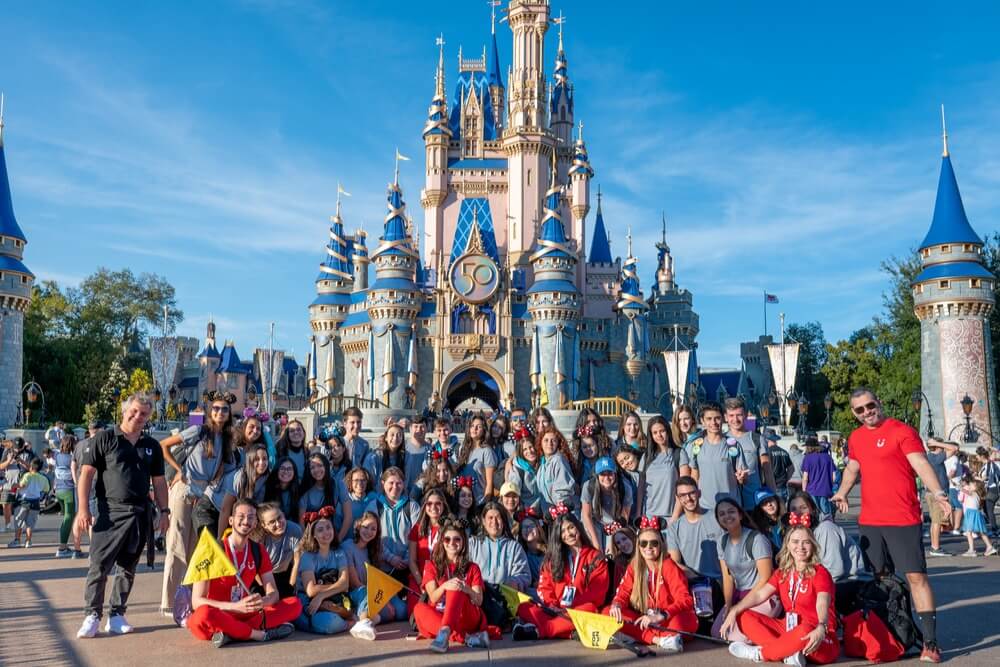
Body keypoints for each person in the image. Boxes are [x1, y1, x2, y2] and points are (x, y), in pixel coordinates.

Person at [831, 387, 953, 663]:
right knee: (882, 581)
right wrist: (841, 491)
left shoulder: (902, 431)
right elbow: (852, 468)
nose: (866, 412)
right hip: (871, 522)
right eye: (859, 410)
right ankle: (898, 634)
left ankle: (930, 643)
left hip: (902, 519)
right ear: (854, 413)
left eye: (870, 406)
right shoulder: (857, 438)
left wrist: (938, 493)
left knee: (916, 578)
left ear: (879, 402)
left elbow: (921, 464)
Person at [76, 393, 170, 639]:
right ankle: (92, 615)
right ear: (124, 410)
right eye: (135, 411)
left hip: (140, 513)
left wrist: (165, 511)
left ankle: (116, 615)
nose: (138, 417)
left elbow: (159, 483)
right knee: (99, 565)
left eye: (144, 414)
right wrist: (83, 509)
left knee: (128, 567)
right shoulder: (105, 438)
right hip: (110, 512)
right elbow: (86, 475)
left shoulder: (152, 446)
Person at [159, 391, 240, 613]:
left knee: (197, 549)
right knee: (177, 545)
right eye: (216, 408)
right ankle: (169, 603)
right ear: (209, 411)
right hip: (186, 488)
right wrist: (178, 471)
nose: (220, 412)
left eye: (224, 409)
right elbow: (164, 445)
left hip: (205, 495)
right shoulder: (200, 431)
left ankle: (188, 601)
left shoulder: (228, 439)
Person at [723, 516, 841, 666]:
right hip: (789, 630)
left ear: (812, 545)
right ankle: (786, 652)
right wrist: (734, 610)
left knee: (804, 631)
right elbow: (760, 594)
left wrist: (821, 626)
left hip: (818, 635)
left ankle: (760, 653)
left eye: (806, 542)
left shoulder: (820, 572)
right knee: (744, 615)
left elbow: (822, 602)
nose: (801, 547)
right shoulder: (782, 572)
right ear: (788, 545)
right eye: (795, 542)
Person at [187, 499, 300, 647]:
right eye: (241, 516)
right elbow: (197, 601)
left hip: (246, 614)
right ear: (231, 520)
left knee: (295, 604)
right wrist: (234, 607)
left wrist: (262, 602)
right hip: (220, 612)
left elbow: (273, 592)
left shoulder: (258, 550)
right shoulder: (211, 551)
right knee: (202, 615)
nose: (246, 521)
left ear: (255, 524)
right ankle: (256, 634)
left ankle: (231, 634)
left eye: (251, 517)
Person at [512, 506, 608, 641]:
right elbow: (544, 587)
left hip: (580, 610)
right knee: (524, 607)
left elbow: (597, 594)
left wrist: (570, 607)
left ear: (578, 528)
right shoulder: (554, 558)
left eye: (571, 528)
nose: (568, 534)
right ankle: (569, 631)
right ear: (558, 536)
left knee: (589, 608)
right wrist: (552, 605)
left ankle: (540, 631)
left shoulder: (596, 557)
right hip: (555, 610)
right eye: (562, 531)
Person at [606, 517, 699, 653]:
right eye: (643, 543)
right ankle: (659, 640)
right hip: (646, 618)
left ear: (661, 545)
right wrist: (617, 604)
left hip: (668, 618)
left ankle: (638, 635)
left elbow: (685, 600)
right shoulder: (634, 566)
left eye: (653, 543)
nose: (648, 547)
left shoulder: (669, 566)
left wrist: (663, 615)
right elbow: (623, 592)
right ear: (638, 546)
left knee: (682, 622)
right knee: (610, 613)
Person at [413, 518, 490, 653]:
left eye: (457, 539)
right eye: (447, 539)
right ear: (442, 542)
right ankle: (465, 638)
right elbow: (433, 598)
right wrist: (444, 586)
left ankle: (445, 634)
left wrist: (465, 588)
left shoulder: (473, 567)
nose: (452, 543)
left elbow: (479, 600)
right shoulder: (431, 565)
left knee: (456, 586)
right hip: (440, 615)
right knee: (419, 608)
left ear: (463, 542)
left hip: (465, 617)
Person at [714, 497, 777, 640]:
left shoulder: (756, 539)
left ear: (740, 515)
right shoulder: (722, 542)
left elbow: (765, 578)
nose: (727, 516)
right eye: (722, 514)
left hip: (763, 594)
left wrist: (739, 607)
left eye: (731, 512)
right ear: (718, 519)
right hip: (740, 594)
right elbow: (727, 577)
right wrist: (729, 606)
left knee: (736, 636)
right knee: (717, 633)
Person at [345, 510, 408, 640]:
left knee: (401, 611)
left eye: (373, 529)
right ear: (358, 525)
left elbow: (382, 567)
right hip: (358, 592)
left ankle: (366, 618)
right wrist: (382, 603)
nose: (369, 532)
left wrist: (385, 599)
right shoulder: (348, 546)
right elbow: (355, 583)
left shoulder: (374, 548)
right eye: (366, 527)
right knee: (383, 611)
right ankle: (364, 620)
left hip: (374, 591)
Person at [469, 501, 531, 627]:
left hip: (504, 598)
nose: (494, 522)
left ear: (504, 521)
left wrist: (514, 581)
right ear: (484, 522)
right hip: (479, 597)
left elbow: (525, 575)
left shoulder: (514, 547)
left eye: (498, 517)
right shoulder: (473, 543)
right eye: (490, 518)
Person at [294, 507, 352, 635]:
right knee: (327, 622)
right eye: (320, 530)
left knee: (359, 601)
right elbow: (311, 590)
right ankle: (349, 622)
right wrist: (333, 589)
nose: (326, 532)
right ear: (313, 534)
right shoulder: (307, 556)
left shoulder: (339, 552)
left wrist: (321, 596)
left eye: (328, 527)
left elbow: (345, 583)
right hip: (309, 601)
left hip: (332, 597)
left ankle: (341, 614)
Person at [689, 401, 749, 511]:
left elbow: (743, 479)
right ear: (702, 421)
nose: (714, 422)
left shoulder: (733, 445)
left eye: (717, 418)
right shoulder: (697, 446)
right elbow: (694, 477)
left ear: (723, 418)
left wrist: (742, 478)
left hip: (730, 507)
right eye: (709, 419)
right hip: (704, 508)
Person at [723, 397, 777, 509]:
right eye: (731, 415)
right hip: (729, 502)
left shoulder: (757, 439)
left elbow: (767, 470)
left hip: (753, 502)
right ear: (726, 417)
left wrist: (774, 497)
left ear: (746, 415)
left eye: (739, 415)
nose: (735, 419)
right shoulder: (722, 440)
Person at [640, 415, 691, 522]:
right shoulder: (646, 457)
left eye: (662, 431)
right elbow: (641, 489)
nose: (659, 435)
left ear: (668, 431)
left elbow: (684, 488)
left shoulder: (679, 454)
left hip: (671, 516)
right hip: (649, 516)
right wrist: (639, 514)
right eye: (655, 433)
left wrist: (675, 516)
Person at [408, 487, 451, 614]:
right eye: (429, 503)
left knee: (438, 610)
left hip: (441, 578)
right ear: (424, 506)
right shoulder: (417, 528)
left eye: (438, 503)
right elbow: (412, 560)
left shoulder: (450, 527)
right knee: (415, 611)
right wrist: (422, 583)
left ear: (443, 505)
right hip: (419, 578)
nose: (434, 507)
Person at [376, 466, 420, 581]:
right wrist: (390, 558)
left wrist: (407, 558)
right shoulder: (375, 506)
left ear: (404, 484)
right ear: (383, 483)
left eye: (399, 483)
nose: (395, 487)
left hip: (408, 566)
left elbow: (418, 535)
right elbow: (371, 537)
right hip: (382, 567)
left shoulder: (412, 506)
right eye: (391, 483)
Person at [581, 456, 632, 552]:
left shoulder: (625, 487)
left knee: (612, 551)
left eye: (610, 473)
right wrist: (595, 541)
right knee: (595, 550)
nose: (606, 478)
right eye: (602, 474)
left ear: (615, 474)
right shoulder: (588, 486)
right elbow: (586, 515)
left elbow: (624, 517)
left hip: (614, 521)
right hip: (594, 519)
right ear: (597, 475)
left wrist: (612, 539)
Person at [299, 453, 351, 542]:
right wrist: (308, 541)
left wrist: (339, 538)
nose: (316, 470)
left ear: (326, 466)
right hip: (312, 536)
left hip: (332, 534)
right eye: (312, 468)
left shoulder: (338, 484)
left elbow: (348, 516)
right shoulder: (305, 488)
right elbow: (301, 521)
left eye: (319, 465)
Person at [219, 444, 270, 534]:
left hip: (246, 517)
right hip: (217, 508)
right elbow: (225, 508)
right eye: (257, 459)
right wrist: (220, 536)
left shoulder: (267, 477)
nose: (262, 463)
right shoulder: (239, 478)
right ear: (250, 461)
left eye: (265, 459)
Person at [256, 502, 302, 598]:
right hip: (263, 577)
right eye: (272, 522)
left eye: (279, 517)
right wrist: (265, 589)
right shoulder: (259, 539)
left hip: (285, 573)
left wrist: (291, 586)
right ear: (264, 525)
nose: (278, 524)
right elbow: (255, 569)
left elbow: (297, 561)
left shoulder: (295, 530)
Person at [924, 438, 960, 556]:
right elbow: (955, 448)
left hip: (932, 492)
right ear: (937, 447)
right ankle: (935, 548)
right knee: (936, 521)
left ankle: (935, 546)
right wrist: (936, 443)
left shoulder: (929, 457)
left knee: (936, 521)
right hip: (938, 494)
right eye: (941, 446)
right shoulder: (935, 458)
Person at [456, 415, 498, 504]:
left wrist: (485, 504)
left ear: (483, 431)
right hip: (462, 501)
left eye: (478, 427)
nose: (474, 429)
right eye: (472, 426)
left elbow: (490, 483)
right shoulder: (462, 449)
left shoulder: (487, 451)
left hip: (479, 501)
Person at [535, 427, 578, 513]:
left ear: (558, 443)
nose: (549, 444)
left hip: (562, 512)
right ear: (541, 443)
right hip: (549, 513)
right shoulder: (542, 465)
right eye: (546, 440)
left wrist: (559, 511)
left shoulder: (558, 460)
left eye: (553, 440)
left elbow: (563, 491)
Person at [11, 458, 50, 548]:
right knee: (30, 524)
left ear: (31, 467)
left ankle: (17, 540)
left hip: (23, 502)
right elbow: (46, 489)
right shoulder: (43, 478)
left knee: (19, 521)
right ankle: (28, 541)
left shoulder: (27, 475)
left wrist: (14, 485)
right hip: (35, 503)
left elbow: (22, 485)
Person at [505, 427, 542, 510]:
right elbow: (513, 493)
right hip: (528, 511)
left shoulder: (542, 464)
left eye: (531, 447)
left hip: (545, 509)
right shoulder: (517, 470)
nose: (529, 451)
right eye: (525, 449)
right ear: (521, 452)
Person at [800, 436, 836, 519]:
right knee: (826, 515)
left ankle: (815, 530)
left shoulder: (807, 458)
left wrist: (804, 492)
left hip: (812, 490)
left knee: (813, 514)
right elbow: (834, 476)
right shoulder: (827, 457)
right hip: (825, 490)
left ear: (809, 447)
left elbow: (805, 478)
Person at [959, 476, 995, 557]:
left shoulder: (973, 493)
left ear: (976, 487)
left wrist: (959, 486)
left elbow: (963, 490)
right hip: (975, 513)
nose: (969, 486)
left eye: (971, 485)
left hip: (971, 514)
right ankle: (989, 547)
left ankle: (971, 550)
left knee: (968, 531)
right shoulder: (977, 493)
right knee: (981, 532)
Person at [263, 456, 301, 521]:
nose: (286, 471)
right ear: (277, 470)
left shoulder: (299, 489)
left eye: (289, 469)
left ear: (294, 472)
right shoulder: (268, 488)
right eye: (282, 468)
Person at [750, 488, 785, 553]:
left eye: (771, 500)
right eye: (764, 503)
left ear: (776, 500)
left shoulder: (787, 520)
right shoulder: (758, 528)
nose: (769, 504)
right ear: (760, 508)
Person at [404, 419, 431, 501]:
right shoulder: (402, 447)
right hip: (402, 493)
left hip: (423, 495)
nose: (419, 430)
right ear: (410, 428)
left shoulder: (431, 449)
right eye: (416, 426)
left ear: (427, 428)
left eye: (422, 427)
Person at [765, 430, 793, 501]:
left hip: (770, 486)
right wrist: (786, 479)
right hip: (782, 486)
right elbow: (791, 468)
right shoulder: (784, 452)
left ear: (767, 440)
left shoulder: (766, 453)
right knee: (782, 509)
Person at [982, 448, 1000, 536]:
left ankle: (994, 530)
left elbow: (987, 477)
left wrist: (977, 479)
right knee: (986, 508)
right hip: (992, 489)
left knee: (989, 510)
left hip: (993, 489)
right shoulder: (989, 464)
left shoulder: (990, 464)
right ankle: (995, 528)